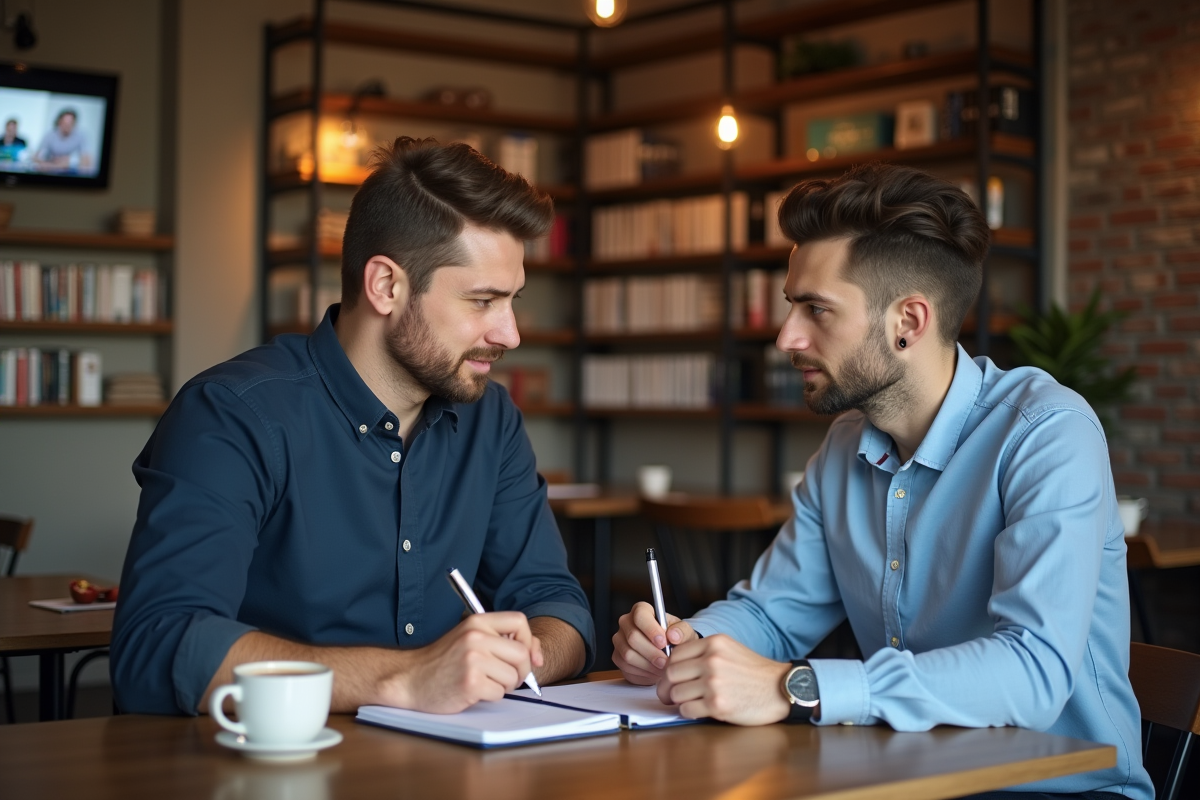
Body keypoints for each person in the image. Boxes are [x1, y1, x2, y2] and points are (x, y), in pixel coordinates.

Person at [613, 164, 1152, 800]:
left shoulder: (1046, 432)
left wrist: (796, 686)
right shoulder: (844, 445)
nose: (786, 336)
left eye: (816, 309)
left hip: (1064, 791)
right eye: (792, 306)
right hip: (906, 782)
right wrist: (685, 642)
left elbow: (1032, 671)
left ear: (909, 322)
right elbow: (772, 613)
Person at [111, 137, 593, 716]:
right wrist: (408, 679)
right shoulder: (231, 414)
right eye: (483, 301)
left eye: (512, 300)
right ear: (386, 286)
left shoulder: (491, 420)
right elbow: (158, 645)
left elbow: (557, 604)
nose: (510, 334)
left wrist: (525, 653)